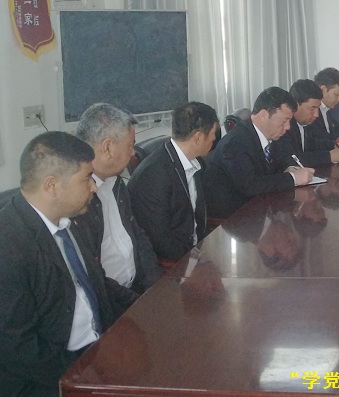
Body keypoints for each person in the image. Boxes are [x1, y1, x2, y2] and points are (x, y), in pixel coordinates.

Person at [0, 132, 114, 395]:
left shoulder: (73, 218)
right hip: (50, 375)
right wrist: (81, 376)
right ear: (52, 186)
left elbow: (96, 281)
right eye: (86, 178)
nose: (94, 187)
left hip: (96, 349)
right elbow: (19, 347)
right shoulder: (8, 245)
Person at [74, 103, 163, 316]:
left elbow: (137, 235)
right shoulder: (76, 200)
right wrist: (137, 303)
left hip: (137, 292)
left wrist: (156, 287)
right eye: (130, 145)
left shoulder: (117, 182)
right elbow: (92, 274)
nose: (133, 153)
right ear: (107, 148)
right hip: (109, 306)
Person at [203, 87, 315, 218]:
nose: (288, 127)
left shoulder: (271, 135)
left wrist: (289, 168)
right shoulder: (235, 142)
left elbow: (282, 159)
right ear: (263, 115)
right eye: (284, 121)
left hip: (261, 208)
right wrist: (293, 178)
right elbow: (250, 185)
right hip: (235, 216)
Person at [128, 102, 220, 261]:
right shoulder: (154, 175)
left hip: (197, 249)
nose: (214, 139)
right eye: (213, 134)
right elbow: (160, 240)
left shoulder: (196, 162)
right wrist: (193, 259)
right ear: (198, 137)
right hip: (176, 262)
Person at [271, 79, 339, 167]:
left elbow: (312, 143)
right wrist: (329, 156)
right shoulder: (284, 126)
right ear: (295, 105)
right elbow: (290, 159)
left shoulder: (305, 124)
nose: (316, 114)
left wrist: (334, 145)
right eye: (312, 109)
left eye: (318, 108)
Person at [308, 67, 339, 142]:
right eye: (336, 95)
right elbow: (320, 137)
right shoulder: (311, 112)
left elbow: (337, 129)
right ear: (323, 89)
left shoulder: (328, 109)